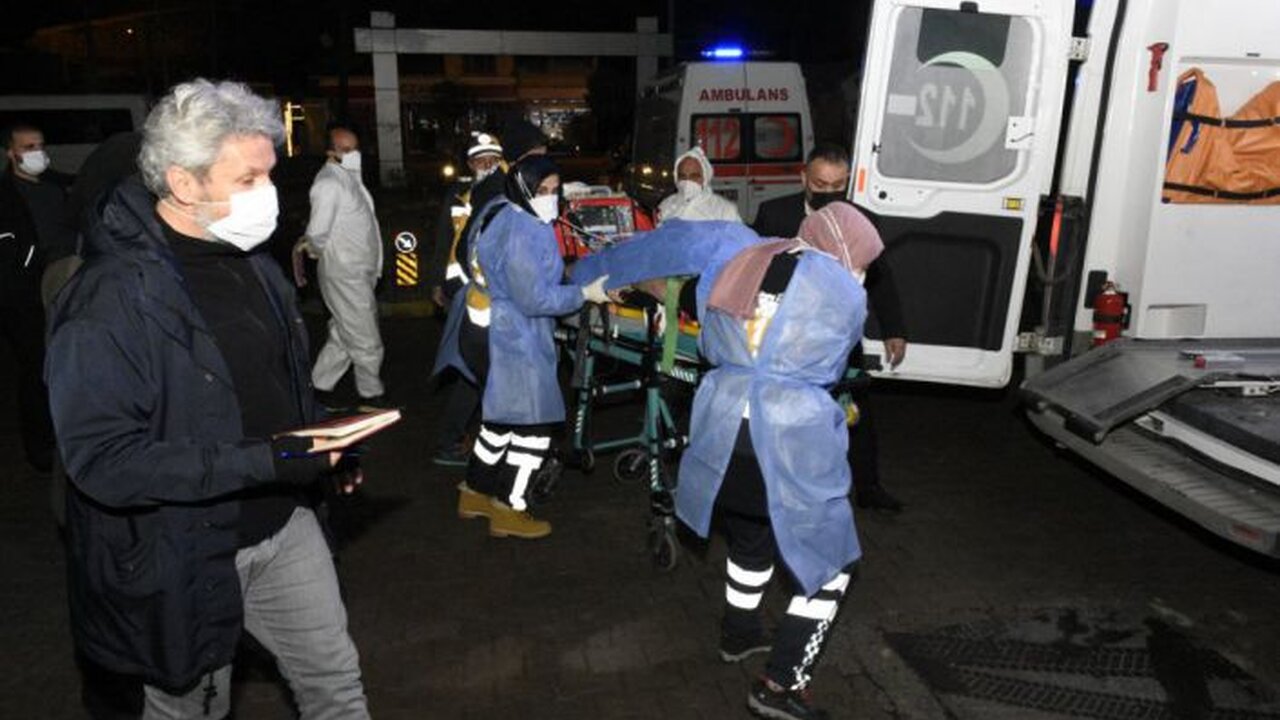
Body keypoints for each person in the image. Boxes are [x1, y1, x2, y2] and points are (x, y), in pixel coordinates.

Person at [45, 79, 370, 719]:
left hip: (286, 525)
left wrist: (323, 443)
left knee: (338, 688)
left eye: (269, 175)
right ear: (184, 183)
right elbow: (104, 462)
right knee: (190, 710)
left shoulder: (254, 264)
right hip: (181, 551)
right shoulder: (109, 298)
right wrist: (271, 458)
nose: (269, 193)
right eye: (248, 179)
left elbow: (270, 385)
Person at [570, 203, 882, 720]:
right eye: (864, 261)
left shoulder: (745, 260)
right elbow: (830, 359)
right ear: (846, 249)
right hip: (784, 439)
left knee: (751, 535)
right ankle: (781, 684)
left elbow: (691, 300)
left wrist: (635, 281)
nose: (863, 271)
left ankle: (739, 633)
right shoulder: (841, 289)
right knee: (832, 565)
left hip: (722, 433)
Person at [454, 155, 609, 539]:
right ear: (524, 188)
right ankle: (510, 507)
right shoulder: (526, 230)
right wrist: (584, 293)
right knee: (534, 428)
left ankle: (475, 491)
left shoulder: (500, 210)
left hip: (486, 327)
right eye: (542, 190)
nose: (550, 198)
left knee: (499, 421)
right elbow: (534, 298)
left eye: (555, 190)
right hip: (516, 337)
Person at [753, 142, 906, 514]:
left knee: (857, 408)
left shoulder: (862, 219)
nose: (828, 193)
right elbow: (756, 266)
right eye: (820, 185)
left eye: (837, 186)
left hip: (840, 334)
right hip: (786, 332)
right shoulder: (774, 213)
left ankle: (868, 486)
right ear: (803, 178)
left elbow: (881, 278)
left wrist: (894, 329)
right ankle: (776, 485)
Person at [428, 132, 505, 467]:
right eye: (479, 159)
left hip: (488, 295)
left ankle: (463, 438)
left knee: (475, 368)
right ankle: (467, 442)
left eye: (492, 158)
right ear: (470, 164)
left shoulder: (507, 191)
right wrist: (437, 283)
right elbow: (444, 239)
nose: (486, 164)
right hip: (464, 293)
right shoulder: (458, 195)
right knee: (476, 368)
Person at [1, 121, 73, 473]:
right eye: (28, 147)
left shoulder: (56, 188)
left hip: (65, 285)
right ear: (10, 153)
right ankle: (40, 445)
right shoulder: (6, 197)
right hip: (26, 296)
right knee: (35, 370)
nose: (37, 153)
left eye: (40, 145)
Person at [296, 124, 386, 406]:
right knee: (366, 339)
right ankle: (371, 396)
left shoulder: (348, 177)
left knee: (344, 334)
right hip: (346, 273)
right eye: (345, 149)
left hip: (357, 270)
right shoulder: (329, 184)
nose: (352, 154)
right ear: (329, 152)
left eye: (355, 148)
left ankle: (318, 389)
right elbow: (317, 233)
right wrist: (315, 251)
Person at [657, 146, 742, 224]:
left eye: (694, 176)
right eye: (682, 176)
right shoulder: (666, 206)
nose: (687, 181)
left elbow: (738, 234)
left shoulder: (724, 210)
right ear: (676, 178)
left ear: (705, 178)